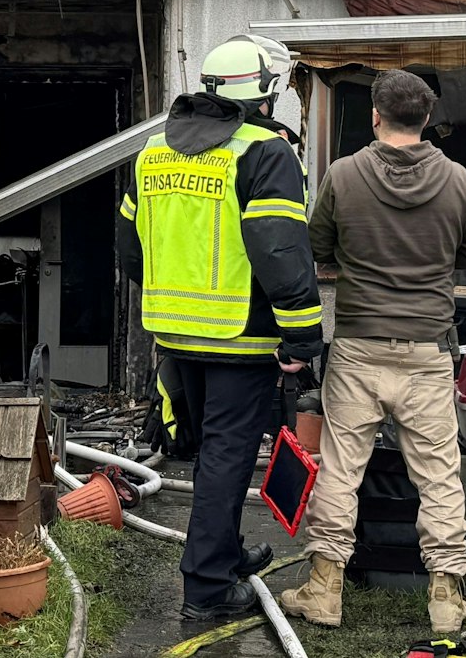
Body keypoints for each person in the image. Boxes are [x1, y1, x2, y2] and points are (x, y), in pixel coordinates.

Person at [278, 70, 466, 635]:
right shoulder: (456, 180)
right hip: (426, 350)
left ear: (376, 114)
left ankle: (324, 591)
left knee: (340, 471)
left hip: (357, 347)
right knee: (439, 475)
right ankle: (447, 598)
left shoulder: (344, 175)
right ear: (426, 119)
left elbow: (317, 246)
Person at [117, 35, 325, 619]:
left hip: (174, 334)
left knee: (209, 453)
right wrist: (303, 336)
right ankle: (207, 589)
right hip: (241, 336)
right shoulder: (264, 152)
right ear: (264, 91)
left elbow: (129, 252)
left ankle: (227, 553)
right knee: (226, 461)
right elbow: (282, 254)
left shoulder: (152, 151)